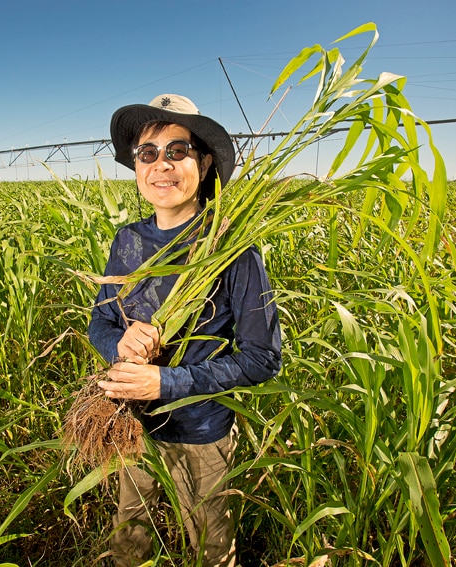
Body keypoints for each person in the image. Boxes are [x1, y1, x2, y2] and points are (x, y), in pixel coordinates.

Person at [88, 94, 282, 567]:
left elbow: (263, 358)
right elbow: (101, 322)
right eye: (148, 153)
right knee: (129, 539)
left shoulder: (233, 249)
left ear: (205, 161)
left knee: (212, 549)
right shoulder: (128, 241)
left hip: (202, 434)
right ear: (137, 167)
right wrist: (120, 341)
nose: (162, 165)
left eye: (178, 151)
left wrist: (165, 381)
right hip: (132, 426)